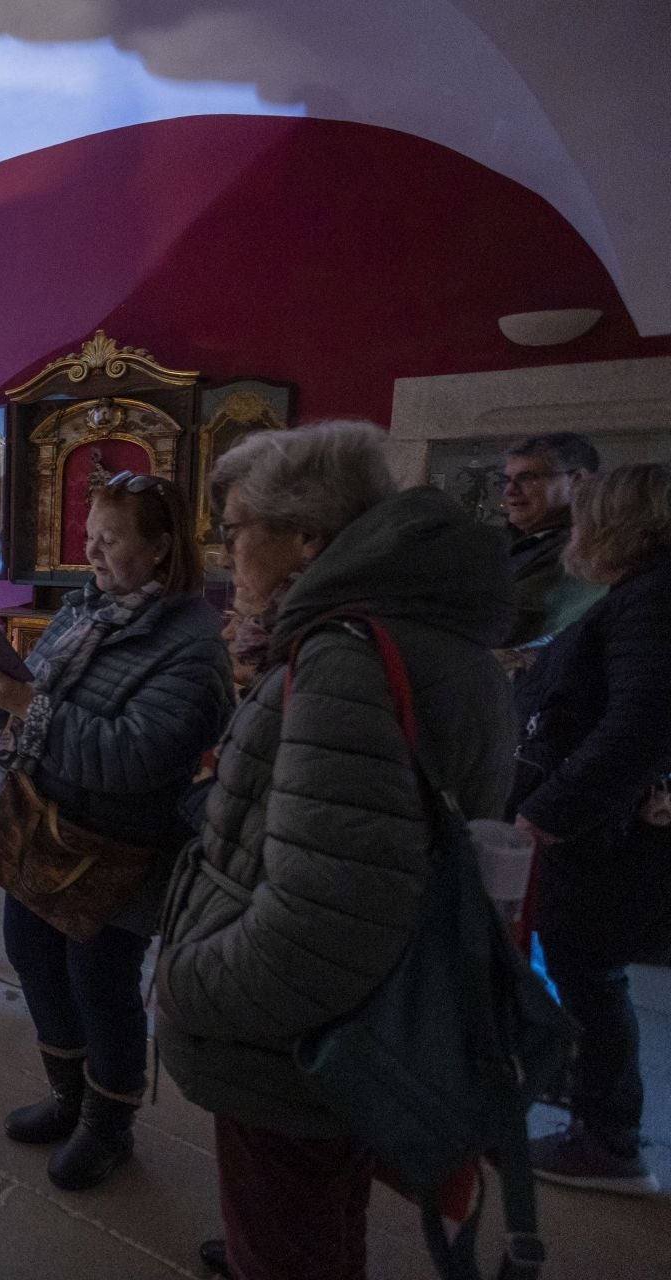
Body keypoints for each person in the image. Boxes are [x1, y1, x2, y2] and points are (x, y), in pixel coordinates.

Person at [153, 421, 516, 1280]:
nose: (226, 550)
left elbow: (324, 923)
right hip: (356, 1024)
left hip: (296, 1048)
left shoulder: (344, 659)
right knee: (316, 1200)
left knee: (288, 1232)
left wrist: (188, 982)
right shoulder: (416, 630)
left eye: (238, 528)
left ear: (304, 538)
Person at [0, 472, 231, 1192]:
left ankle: (108, 1129)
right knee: (32, 954)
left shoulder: (193, 643)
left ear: (162, 549)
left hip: (114, 847)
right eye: (89, 539)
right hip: (40, 826)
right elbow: (40, 696)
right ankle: (69, 1098)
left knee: (100, 984)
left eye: (111, 541)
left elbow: (136, 754)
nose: (93, 556)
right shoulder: (88, 609)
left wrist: (26, 704)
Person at [514, 462, 671, 1194]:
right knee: (588, 971)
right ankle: (595, 1120)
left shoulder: (651, 598)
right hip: (607, 831)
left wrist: (550, 812)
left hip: (605, 839)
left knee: (589, 973)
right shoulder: (640, 596)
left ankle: (606, 1138)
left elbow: (639, 724)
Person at [498, 432, 605, 659]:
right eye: (507, 479)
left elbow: (508, 623)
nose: (510, 490)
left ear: (577, 480)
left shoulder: (583, 550)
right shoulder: (516, 543)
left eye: (529, 478)